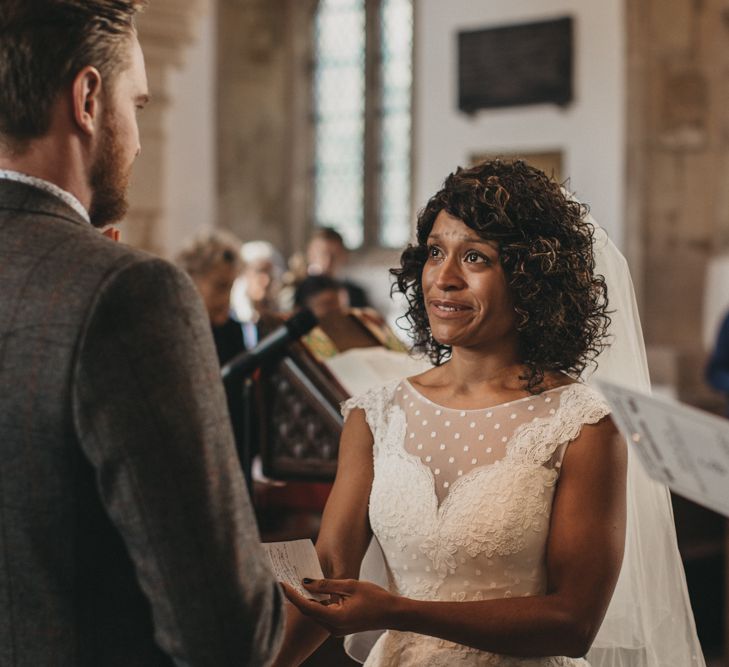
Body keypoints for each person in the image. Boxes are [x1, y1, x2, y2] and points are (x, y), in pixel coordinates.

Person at [273, 161, 704, 666]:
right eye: (435, 252)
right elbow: (326, 579)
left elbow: (572, 623)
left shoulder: (581, 425)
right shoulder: (374, 415)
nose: (444, 279)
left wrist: (401, 611)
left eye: (474, 257)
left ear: (530, 278)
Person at [0, 3, 283, 666]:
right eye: (140, 104)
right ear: (89, 97)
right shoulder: (128, 292)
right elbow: (224, 634)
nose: (137, 134)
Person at [231, 240, 287, 348]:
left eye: (269, 273)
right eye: (259, 272)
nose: (265, 280)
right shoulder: (232, 319)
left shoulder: (278, 319)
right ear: (244, 274)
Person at [306, 226, 370, 307]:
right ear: (311, 254)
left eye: (334, 255)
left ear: (343, 256)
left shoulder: (355, 293)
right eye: (323, 253)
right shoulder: (298, 289)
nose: (328, 261)